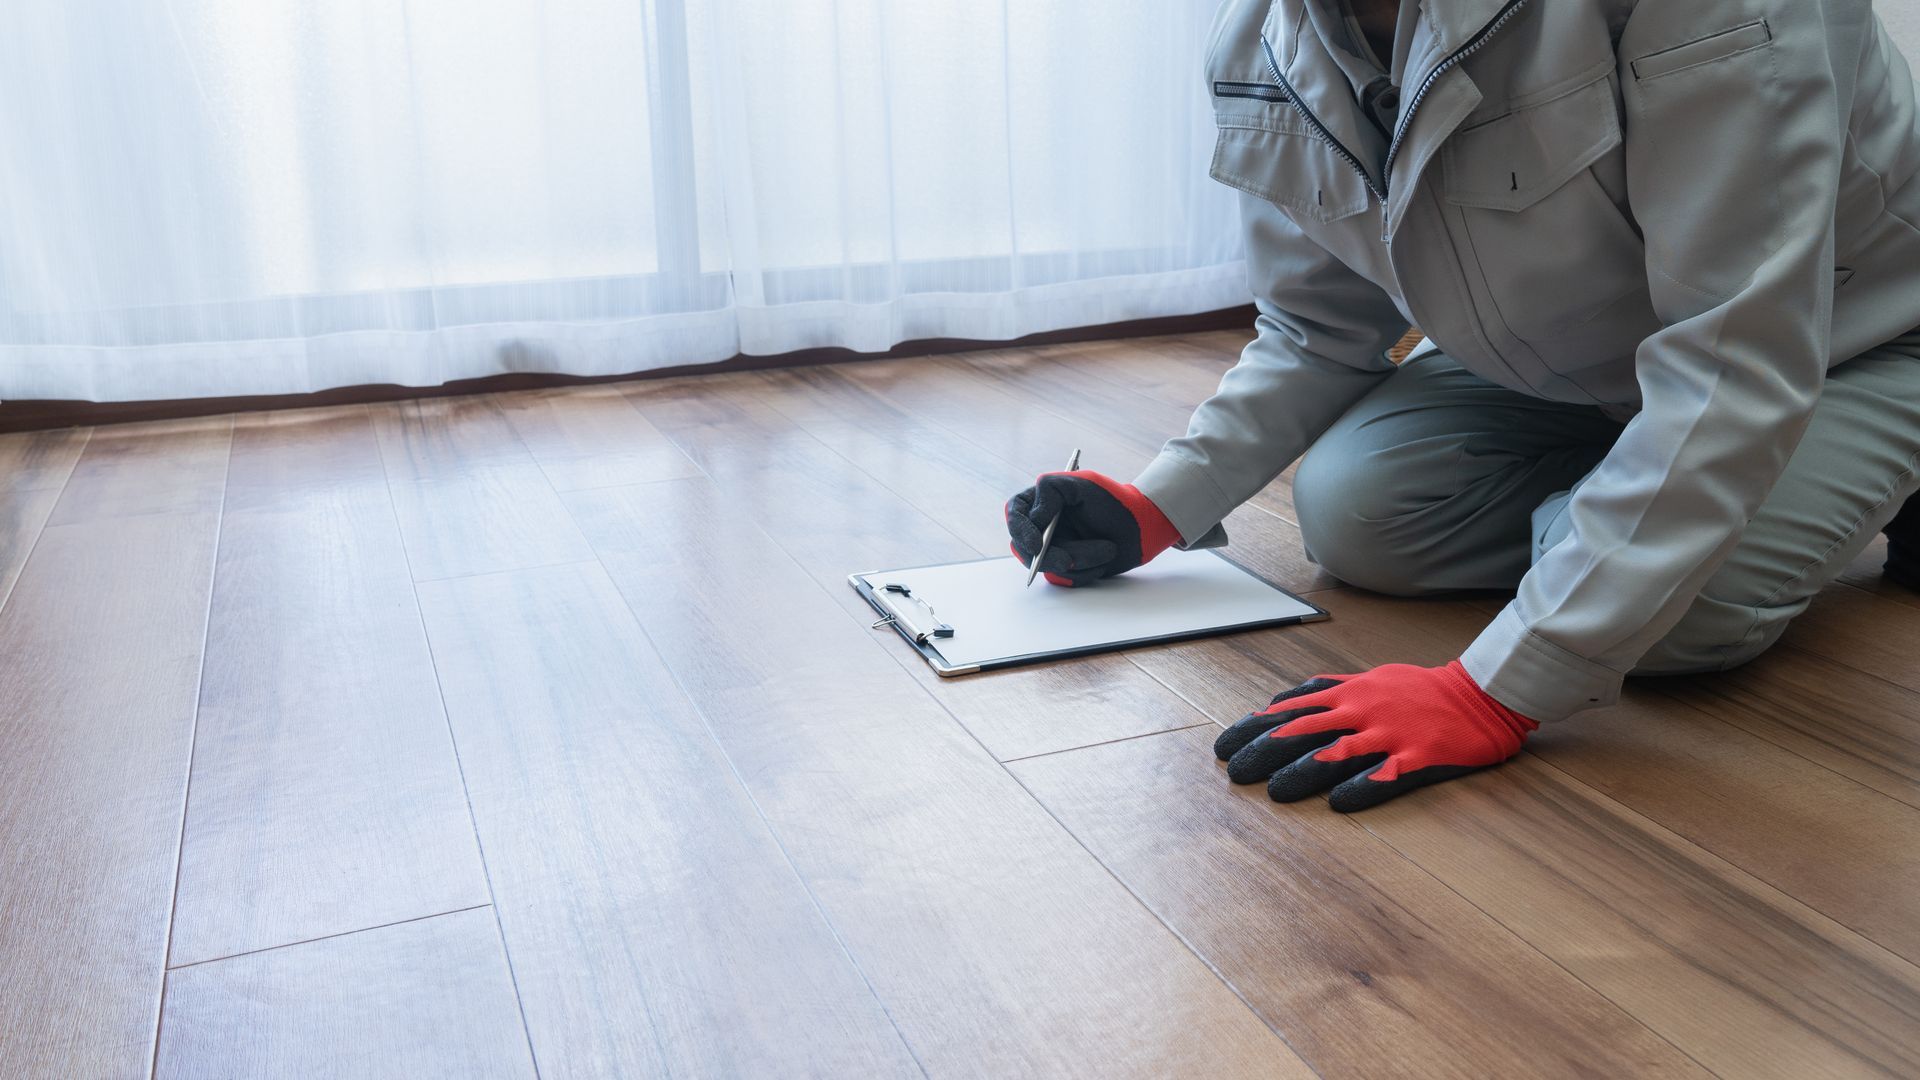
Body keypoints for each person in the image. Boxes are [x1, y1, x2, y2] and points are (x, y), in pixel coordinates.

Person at [1005, 0, 1920, 812]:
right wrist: (1164, 503)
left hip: (1851, 338)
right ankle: (1634, 507)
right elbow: (1318, 327)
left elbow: (1733, 354)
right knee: (1356, 514)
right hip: (1572, 361)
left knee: (1676, 619)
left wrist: (1493, 687)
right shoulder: (1263, 37)